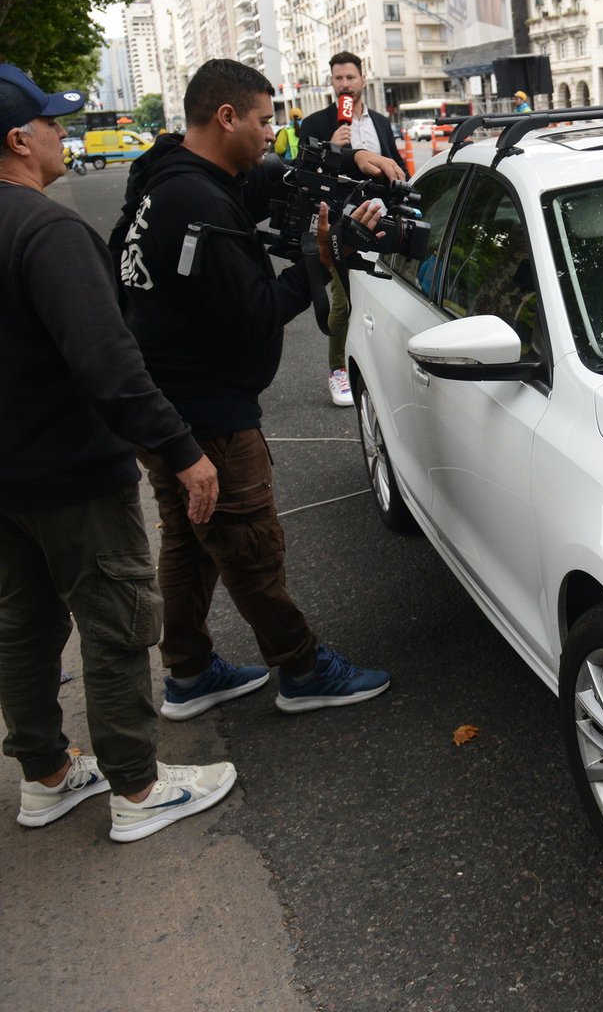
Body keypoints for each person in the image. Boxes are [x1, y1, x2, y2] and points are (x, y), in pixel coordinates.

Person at [0, 62, 237, 843]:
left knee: (23, 630)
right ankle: (136, 789)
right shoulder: (47, 230)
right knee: (115, 625)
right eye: (50, 123)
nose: (60, 132)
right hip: (73, 477)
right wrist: (182, 450)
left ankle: (46, 777)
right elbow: (109, 363)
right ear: (18, 141)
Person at [117, 58, 393, 719]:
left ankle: (188, 672)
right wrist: (319, 259)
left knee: (189, 542)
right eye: (267, 120)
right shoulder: (202, 206)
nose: (273, 133)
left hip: (162, 400)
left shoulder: (162, 176)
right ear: (226, 116)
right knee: (249, 544)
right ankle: (301, 668)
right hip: (206, 410)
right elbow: (255, 316)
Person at [297, 52, 406, 407]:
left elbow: (396, 164)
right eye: (338, 79)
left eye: (350, 77)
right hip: (340, 223)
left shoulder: (380, 122)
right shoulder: (315, 124)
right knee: (344, 299)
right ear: (332, 83)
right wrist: (334, 148)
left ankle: (378, 365)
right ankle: (337, 369)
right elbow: (305, 178)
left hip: (381, 221)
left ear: (362, 79)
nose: (345, 84)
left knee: (387, 296)